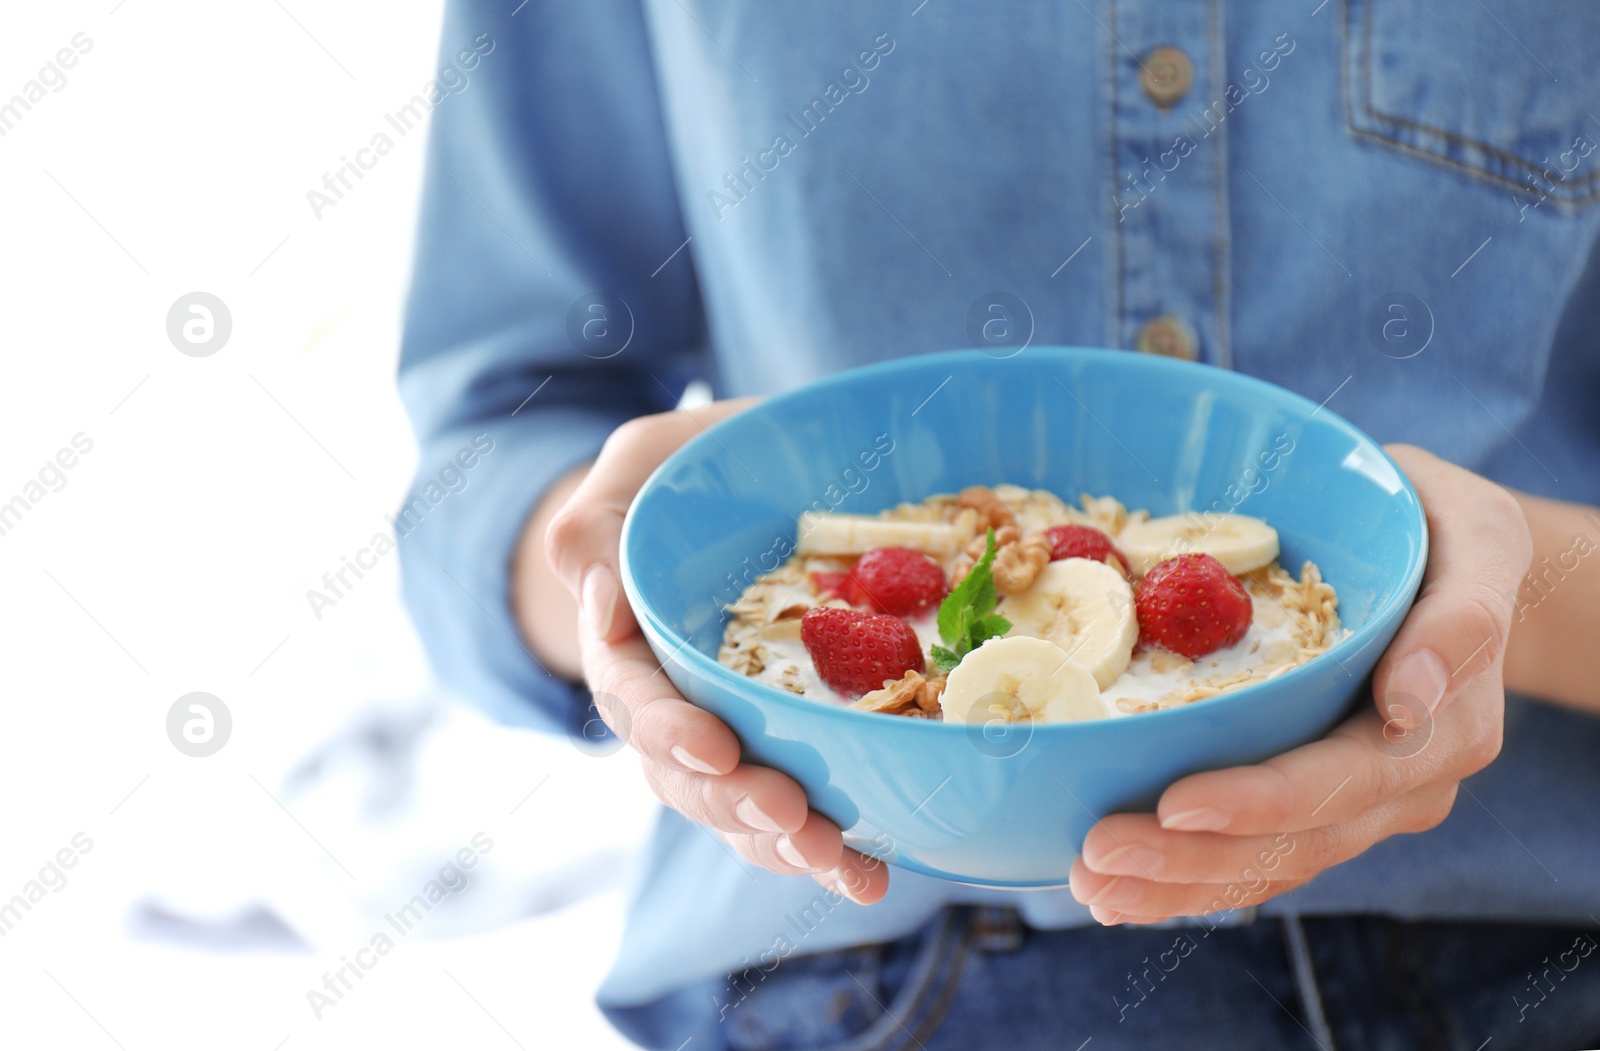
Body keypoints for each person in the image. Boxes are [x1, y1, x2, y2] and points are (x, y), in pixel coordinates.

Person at [396, 1, 1600, 1047]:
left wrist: (1508, 587)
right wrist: (629, 578)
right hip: (873, 953)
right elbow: (495, 440)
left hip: (1539, 939)